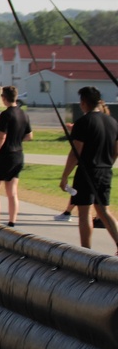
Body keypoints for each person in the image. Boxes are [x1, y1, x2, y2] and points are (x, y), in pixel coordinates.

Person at [59, 87, 118, 252]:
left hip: (87, 172)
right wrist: (106, 164)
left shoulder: (83, 122)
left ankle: (86, 250)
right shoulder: (112, 122)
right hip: (105, 170)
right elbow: (116, 151)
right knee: (103, 210)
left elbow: (75, 152)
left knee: (84, 212)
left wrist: (65, 177)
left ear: (83, 103)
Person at [0, 86, 32, 226]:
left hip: (5, 155)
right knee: (12, 192)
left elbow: (1, 137)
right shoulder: (24, 114)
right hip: (18, 154)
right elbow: (29, 136)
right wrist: (16, 139)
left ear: (4, 98)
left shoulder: (6, 114)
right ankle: (12, 221)